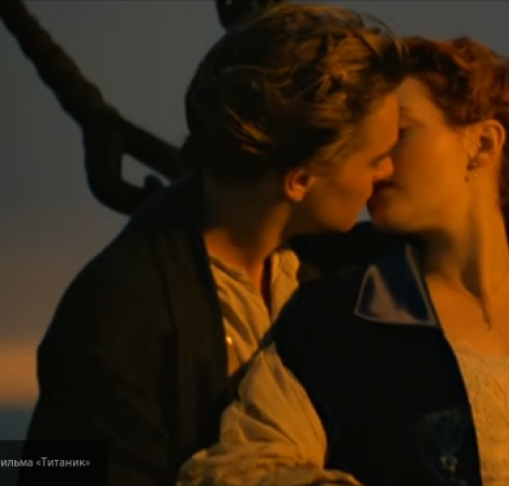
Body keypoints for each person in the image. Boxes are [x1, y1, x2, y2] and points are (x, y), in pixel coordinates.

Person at [177, 36, 509, 486]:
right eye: (371, 142)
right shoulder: (340, 316)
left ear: (482, 145)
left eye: (400, 134)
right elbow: (238, 470)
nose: (378, 162)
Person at [19, 4, 407, 486]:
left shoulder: (332, 270)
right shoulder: (117, 315)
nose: (388, 171)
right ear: (300, 179)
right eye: (375, 158)